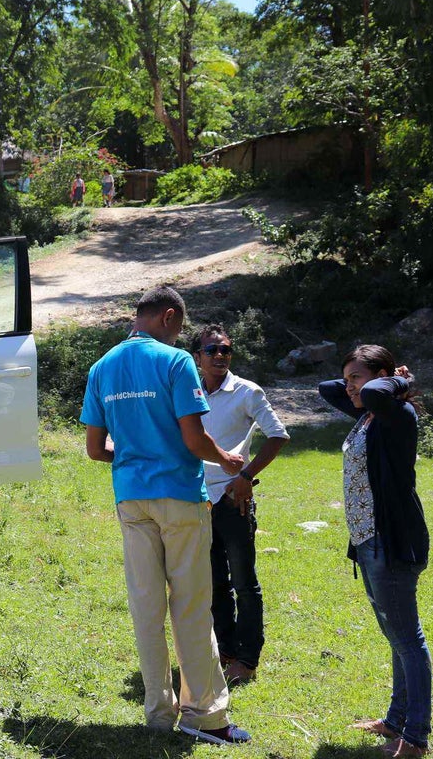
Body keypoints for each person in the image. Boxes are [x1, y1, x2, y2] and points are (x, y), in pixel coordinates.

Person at [81, 286, 251, 745]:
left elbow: (95, 449)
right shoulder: (176, 362)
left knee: (146, 606)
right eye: (180, 327)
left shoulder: (101, 367)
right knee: (191, 606)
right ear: (169, 317)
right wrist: (228, 460)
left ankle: (158, 714)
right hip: (179, 495)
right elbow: (195, 440)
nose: (179, 336)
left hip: (131, 499)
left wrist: (131, 452)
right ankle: (205, 716)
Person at [319, 346, 431, 757]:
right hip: (369, 540)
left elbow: (373, 393)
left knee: (407, 640)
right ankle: (396, 721)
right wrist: (365, 382)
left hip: (392, 541)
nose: (349, 387)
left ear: (382, 379)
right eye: (348, 377)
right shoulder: (368, 414)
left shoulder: (397, 414)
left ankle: (415, 738)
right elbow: (326, 388)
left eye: (357, 377)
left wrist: (401, 380)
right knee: (396, 637)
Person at [190, 325, 290, 687]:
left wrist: (246, 476)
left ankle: (247, 660)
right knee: (214, 583)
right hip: (198, 498)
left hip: (234, 500)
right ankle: (226, 653)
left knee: (244, 582)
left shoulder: (247, 391)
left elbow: (278, 435)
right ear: (197, 357)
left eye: (226, 350)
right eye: (212, 350)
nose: (220, 356)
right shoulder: (188, 391)